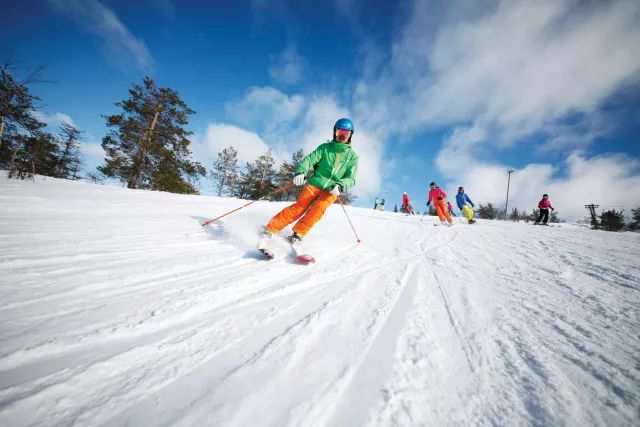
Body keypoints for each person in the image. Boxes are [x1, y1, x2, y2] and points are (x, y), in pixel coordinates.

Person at [258, 118, 359, 251]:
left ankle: (298, 234)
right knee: (299, 207)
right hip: (315, 182)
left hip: (331, 190)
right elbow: (309, 160)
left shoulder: (352, 157)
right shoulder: (325, 148)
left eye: (346, 133)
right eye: (339, 132)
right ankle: (270, 229)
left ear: (351, 135)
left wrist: (340, 185)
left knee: (318, 209)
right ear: (334, 132)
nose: (342, 136)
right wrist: (300, 172)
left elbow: (351, 178)